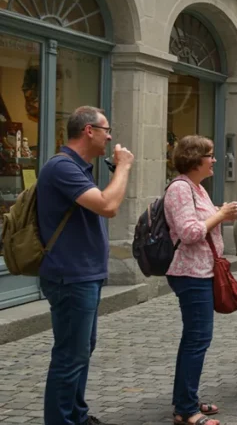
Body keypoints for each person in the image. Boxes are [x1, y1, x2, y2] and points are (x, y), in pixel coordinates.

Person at [37, 106, 133, 425]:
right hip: (70, 276)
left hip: (84, 275)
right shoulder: (62, 167)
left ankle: (76, 415)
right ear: (89, 131)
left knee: (81, 351)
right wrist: (124, 168)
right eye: (106, 130)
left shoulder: (79, 167)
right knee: (69, 355)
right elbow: (108, 206)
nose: (109, 137)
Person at [164, 135, 237, 425]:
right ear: (195, 158)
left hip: (202, 271)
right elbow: (189, 232)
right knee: (197, 339)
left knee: (194, 339)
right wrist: (220, 214)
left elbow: (204, 223)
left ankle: (186, 398)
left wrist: (224, 213)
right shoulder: (181, 189)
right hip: (190, 273)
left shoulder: (197, 188)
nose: (214, 160)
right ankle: (185, 410)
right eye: (210, 155)